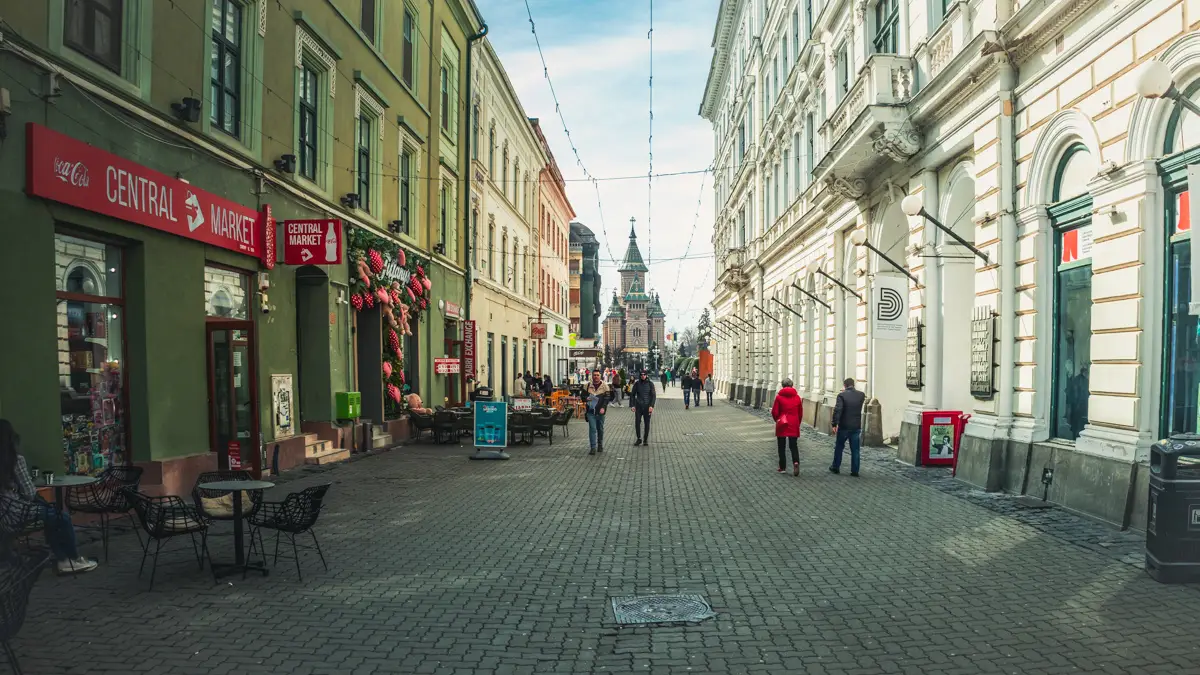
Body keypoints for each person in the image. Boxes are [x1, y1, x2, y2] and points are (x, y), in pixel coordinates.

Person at [0, 419, 98, 574]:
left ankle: (62, 559)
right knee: (61, 518)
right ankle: (70, 559)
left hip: (3, 517)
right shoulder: (16, 461)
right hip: (16, 514)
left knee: (50, 516)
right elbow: (29, 493)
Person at [830, 378, 866, 477]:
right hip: (855, 426)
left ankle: (836, 467)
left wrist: (834, 424)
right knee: (855, 449)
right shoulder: (861, 395)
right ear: (853, 385)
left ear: (844, 385)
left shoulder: (842, 395)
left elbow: (838, 410)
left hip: (844, 426)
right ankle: (855, 471)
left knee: (839, 447)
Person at [771, 379, 803, 476]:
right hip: (794, 423)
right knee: (793, 445)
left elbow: (775, 412)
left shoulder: (779, 397)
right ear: (792, 385)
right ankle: (796, 462)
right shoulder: (797, 397)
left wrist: (777, 420)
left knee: (781, 446)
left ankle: (782, 467)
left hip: (783, 423)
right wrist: (798, 422)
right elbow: (800, 412)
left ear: (782, 385)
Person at [583, 370, 613, 455]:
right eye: (594, 375)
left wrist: (603, 407)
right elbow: (582, 396)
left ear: (600, 376)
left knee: (600, 428)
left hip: (600, 411)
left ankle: (600, 444)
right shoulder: (587, 386)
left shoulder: (605, 386)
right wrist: (586, 398)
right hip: (591, 411)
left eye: (597, 375)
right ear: (592, 376)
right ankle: (593, 447)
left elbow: (607, 398)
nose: (596, 376)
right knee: (592, 429)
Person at [630, 369, 656, 446]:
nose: (643, 376)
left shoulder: (650, 384)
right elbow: (632, 395)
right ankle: (639, 438)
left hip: (647, 406)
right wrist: (632, 405)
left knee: (647, 423)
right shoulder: (637, 384)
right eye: (641, 375)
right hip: (638, 406)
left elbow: (653, 396)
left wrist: (651, 406)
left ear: (646, 375)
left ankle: (645, 439)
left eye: (644, 375)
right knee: (637, 422)